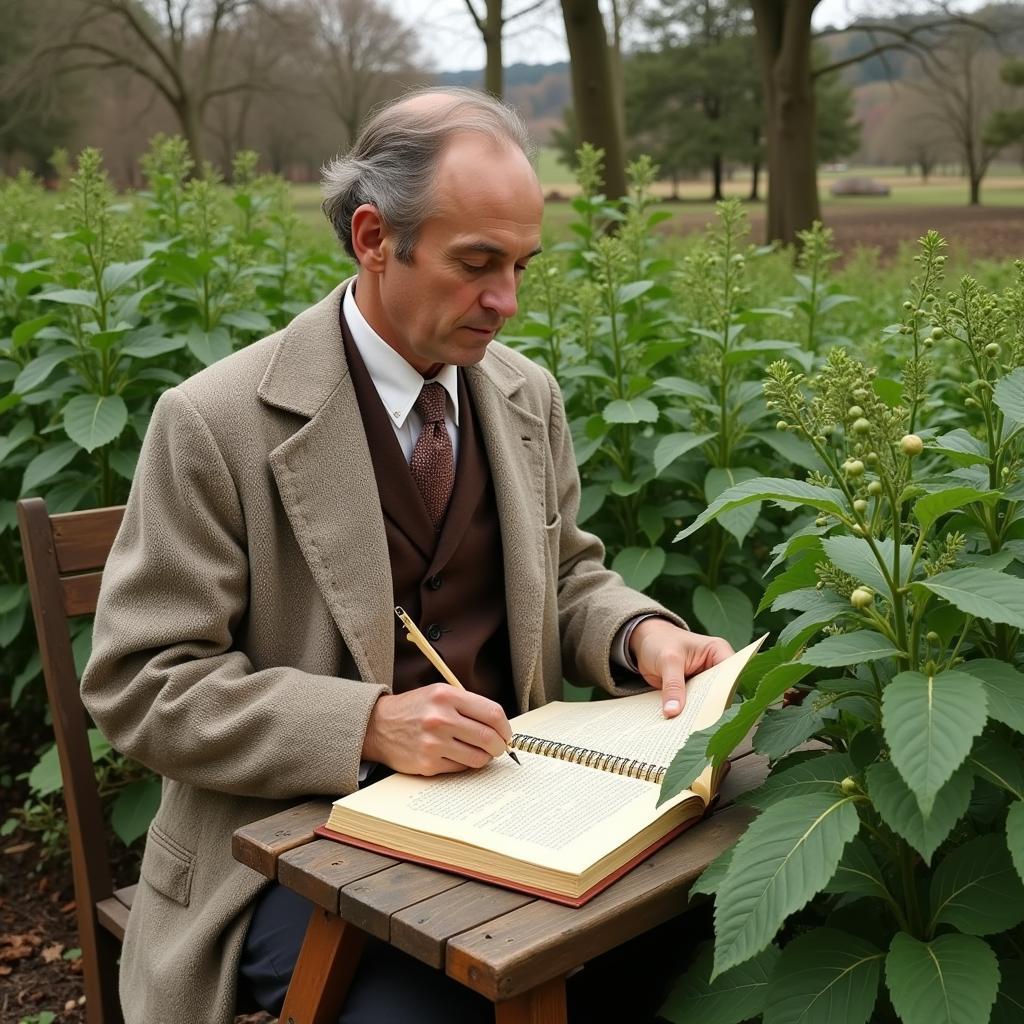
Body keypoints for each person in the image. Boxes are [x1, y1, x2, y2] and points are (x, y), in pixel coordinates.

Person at [81, 87, 734, 1024]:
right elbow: (144, 682)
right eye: (478, 264)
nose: (505, 303)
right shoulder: (212, 423)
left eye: (520, 266)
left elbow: (568, 578)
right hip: (284, 853)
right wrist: (366, 726)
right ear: (373, 238)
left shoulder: (525, 395)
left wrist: (638, 635)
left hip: (519, 818)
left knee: (703, 934)